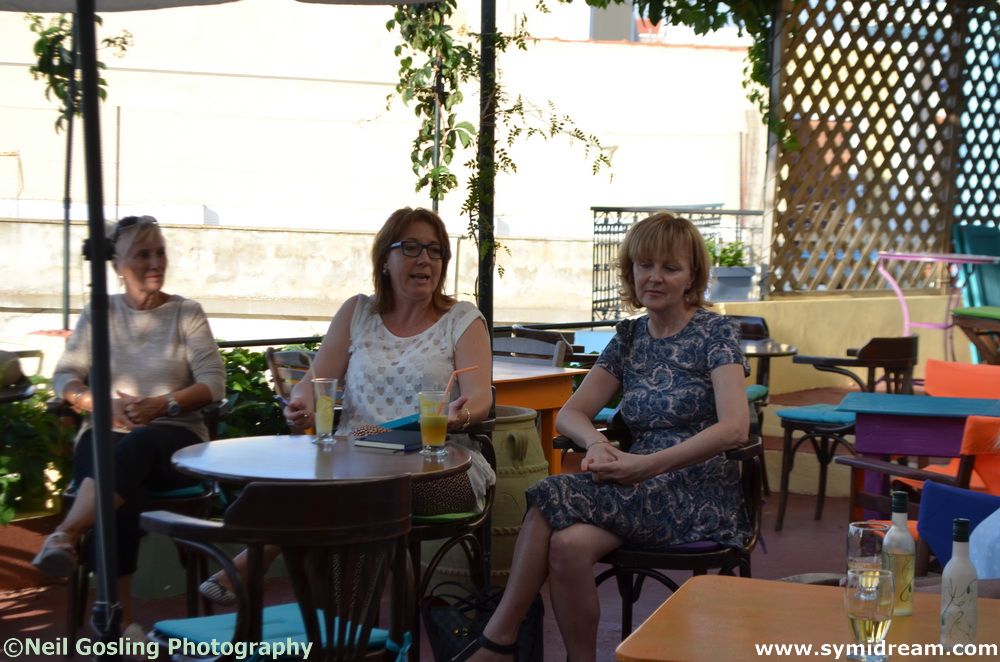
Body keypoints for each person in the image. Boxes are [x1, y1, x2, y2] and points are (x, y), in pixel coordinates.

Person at [461, 213, 751, 662]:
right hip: (638, 487)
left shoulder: (714, 333)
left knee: (550, 492)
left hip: (698, 489)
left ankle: (498, 640)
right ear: (630, 270)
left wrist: (644, 465)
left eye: (670, 267)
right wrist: (597, 444)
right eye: (644, 265)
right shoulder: (630, 337)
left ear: (692, 275)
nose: (654, 277)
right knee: (567, 545)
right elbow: (571, 414)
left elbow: (735, 427)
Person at [198, 206, 494, 606]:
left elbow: (480, 397)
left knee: (354, 491)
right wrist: (300, 403)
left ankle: (261, 557)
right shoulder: (358, 312)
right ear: (384, 260)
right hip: (356, 461)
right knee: (351, 493)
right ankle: (359, 621)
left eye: (435, 250)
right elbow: (314, 382)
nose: (425, 258)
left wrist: (461, 414)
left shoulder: (462, 318)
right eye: (411, 247)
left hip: (442, 469)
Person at [32, 215, 226, 635]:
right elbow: (65, 376)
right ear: (118, 265)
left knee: (131, 452)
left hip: (174, 440)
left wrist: (164, 404)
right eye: (142, 255)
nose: (155, 263)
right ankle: (121, 623)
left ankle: (65, 535)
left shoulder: (186, 313)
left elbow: (213, 383)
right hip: (108, 437)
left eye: (160, 253)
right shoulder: (98, 313)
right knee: (117, 479)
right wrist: (96, 403)